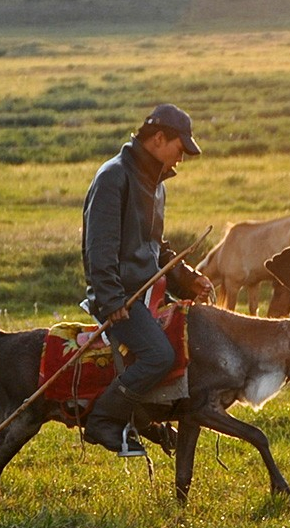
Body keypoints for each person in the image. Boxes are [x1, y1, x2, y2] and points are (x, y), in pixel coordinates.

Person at [81, 104, 212, 456]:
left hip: (147, 294)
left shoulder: (155, 184)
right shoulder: (114, 177)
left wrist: (187, 279)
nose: (181, 158)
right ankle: (103, 421)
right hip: (122, 298)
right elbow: (100, 247)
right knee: (158, 356)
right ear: (158, 139)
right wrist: (110, 301)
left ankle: (145, 419)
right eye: (179, 148)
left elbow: (155, 247)